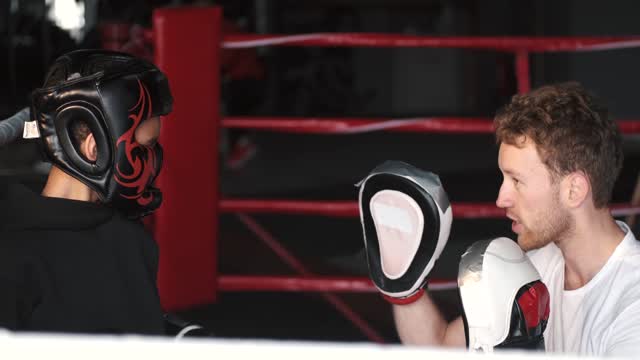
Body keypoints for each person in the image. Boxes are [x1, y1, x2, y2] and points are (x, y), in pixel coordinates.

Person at [363, 82, 640, 356]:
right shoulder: (540, 265)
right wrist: (405, 287)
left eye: (516, 180)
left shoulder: (632, 304)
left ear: (574, 190)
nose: (501, 198)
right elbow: (444, 348)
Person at [0, 49, 172, 334]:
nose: (155, 159)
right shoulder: (13, 256)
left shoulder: (131, 238)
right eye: (147, 146)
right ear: (95, 149)